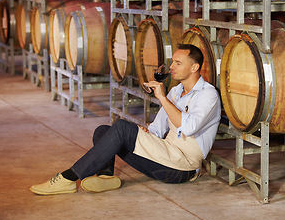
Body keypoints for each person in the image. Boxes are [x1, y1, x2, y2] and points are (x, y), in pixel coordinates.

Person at [30, 44, 221, 195]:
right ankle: (106, 178)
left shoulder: (208, 95)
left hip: (183, 167)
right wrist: (147, 133)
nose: (171, 67)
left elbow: (189, 127)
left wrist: (161, 97)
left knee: (122, 128)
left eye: (178, 63)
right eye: (172, 62)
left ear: (195, 67)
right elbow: (158, 127)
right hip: (166, 155)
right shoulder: (176, 91)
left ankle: (68, 178)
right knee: (103, 131)